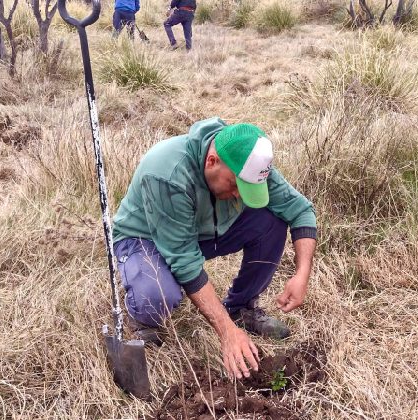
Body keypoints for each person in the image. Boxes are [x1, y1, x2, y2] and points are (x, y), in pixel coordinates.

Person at [112, 117, 317, 380]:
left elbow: (301, 211)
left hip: (202, 233)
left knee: (272, 220)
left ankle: (241, 307)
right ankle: (145, 319)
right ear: (212, 161)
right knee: (157, 295)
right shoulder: (168, 174)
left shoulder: (247, 163)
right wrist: (226, 332)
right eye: (234, 185)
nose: (238, 195)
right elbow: (185, 260)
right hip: (144, 238)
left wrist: (302, 275)